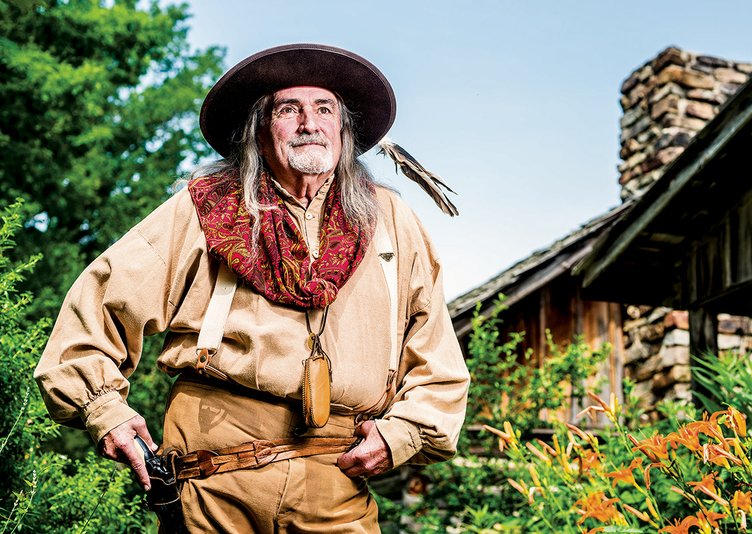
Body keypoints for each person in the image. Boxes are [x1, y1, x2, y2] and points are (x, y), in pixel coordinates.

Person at [34, 43, 470, 532]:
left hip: (336, 483)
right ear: (260, 132)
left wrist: (403, 435)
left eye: (324, 109)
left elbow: (436, 358)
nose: (310, 123)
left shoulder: (391, 220)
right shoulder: (204, 211)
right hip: (214, 481)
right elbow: (96, 308)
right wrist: (103, 410)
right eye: (289, 110)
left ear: (344, 132)